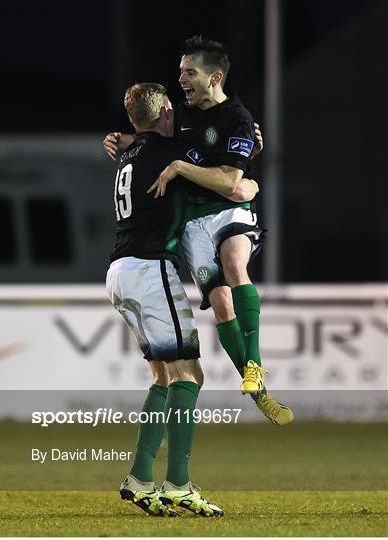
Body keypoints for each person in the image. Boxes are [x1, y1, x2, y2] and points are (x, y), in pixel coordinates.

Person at [104, 36, 293, 427]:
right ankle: (257, 390)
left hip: (229, 212)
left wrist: (183, 169)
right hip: (193, 224)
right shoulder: (183, 115)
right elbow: (155, 138)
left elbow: (231, 184)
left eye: (190, 72)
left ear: (215, 77)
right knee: (221, 304)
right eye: (180, 73)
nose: (182, 80)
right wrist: (122, 138)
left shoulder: (237, 118)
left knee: (234, 265)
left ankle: (254, 363)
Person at [106, 82, 259, 517]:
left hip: (119, 272)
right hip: (150, 269)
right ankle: (178, 483)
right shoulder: (165, 156)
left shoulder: (128, 155)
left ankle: (138, 476)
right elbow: (226, 184)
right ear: (167, 110)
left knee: (163, 377)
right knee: (189, 376)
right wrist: (248, 172)